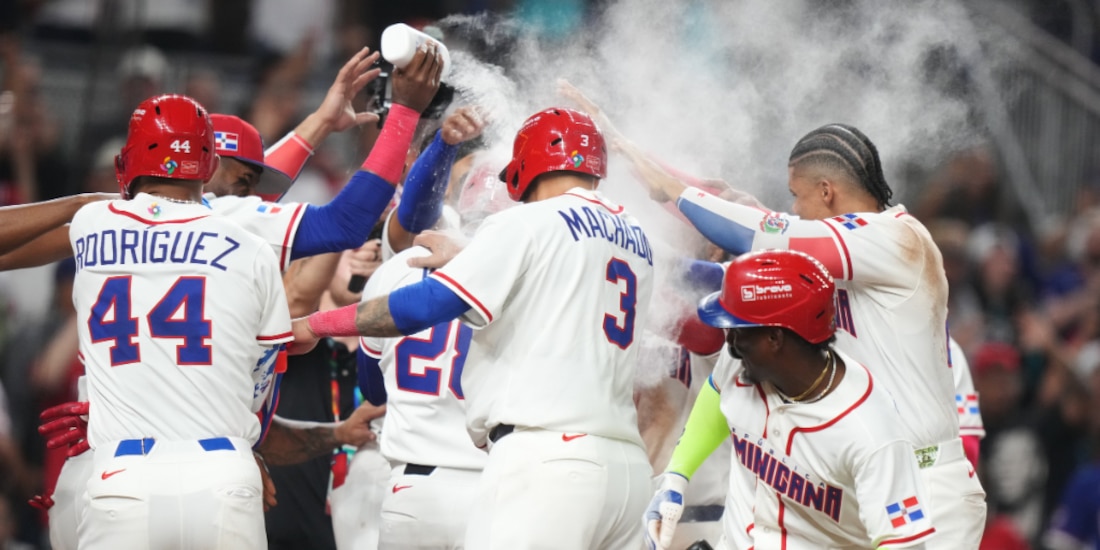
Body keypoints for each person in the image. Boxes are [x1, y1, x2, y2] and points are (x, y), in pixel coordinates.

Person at [292, 107, 655, 549]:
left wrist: (317, 323)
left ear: (527, 165)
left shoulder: (525, 222)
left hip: (548, 459)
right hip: (626, 467)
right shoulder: (636, 233)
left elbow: (424, 305)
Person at [624, 123, 987, 548]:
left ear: (827, 190)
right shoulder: (824, 266)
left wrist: (673, 190)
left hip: (928, 484)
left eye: (798, 194)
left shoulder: (897, 237)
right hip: (852, 481)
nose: (794, 208)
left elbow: (755, 231)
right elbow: (719, 279)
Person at [69, 94, 292, 549]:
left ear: (125, 162)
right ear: (209, 166)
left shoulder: (88, 225)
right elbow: (261, 377)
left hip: (122, 472)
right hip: (223, 471)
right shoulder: (251, 246)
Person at [646, 249, 939, 549]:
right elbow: (718, 390)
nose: (729, 341)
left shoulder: (870, 431)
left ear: (775, 338)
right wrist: (676, 477)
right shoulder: (745, 363)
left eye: (737, 329)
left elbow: (903, 543)